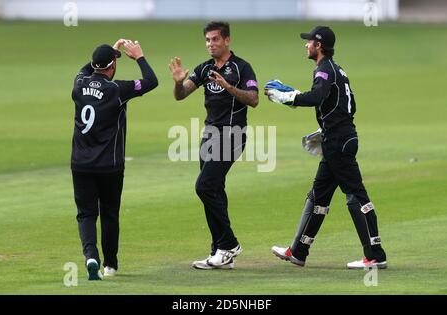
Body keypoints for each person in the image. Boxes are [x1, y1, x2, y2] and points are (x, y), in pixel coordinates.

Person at [264, 26, 387, 269]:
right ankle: (298, 251)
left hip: (339, 143)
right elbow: (348, 106)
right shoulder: (336, 69)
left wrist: (286, 97)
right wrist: (326, 129)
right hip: (337, 140)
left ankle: (375, 256)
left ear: (318, 45)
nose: (306, 45)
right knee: (318, 197)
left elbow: (317, 97)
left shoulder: (324, 70)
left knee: (356, 196)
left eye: (309, 42)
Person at [169, 21, 259, 270]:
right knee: (214, 190)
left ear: (227, 40)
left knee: (205, 186)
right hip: (209, 135)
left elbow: (253, 99)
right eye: (207, 40)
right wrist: (178, 82)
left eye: (215, 40)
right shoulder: (204, 68)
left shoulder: (242, 68)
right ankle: (219, 251)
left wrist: (228, 86)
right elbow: (182, 94)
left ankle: (229, 244)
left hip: (232, 135)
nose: (211, 44)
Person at [71, 39, 158, 280]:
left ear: (93, 65)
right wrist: (139, 56)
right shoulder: (117, 90)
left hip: (80, 163)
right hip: (109, 165)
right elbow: (152, 81)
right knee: (109, 212)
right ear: (113, 67)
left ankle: (91, 257)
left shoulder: (78, 84)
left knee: (86, 214)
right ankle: (110, 265)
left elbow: (85, 70)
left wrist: (108, 54)